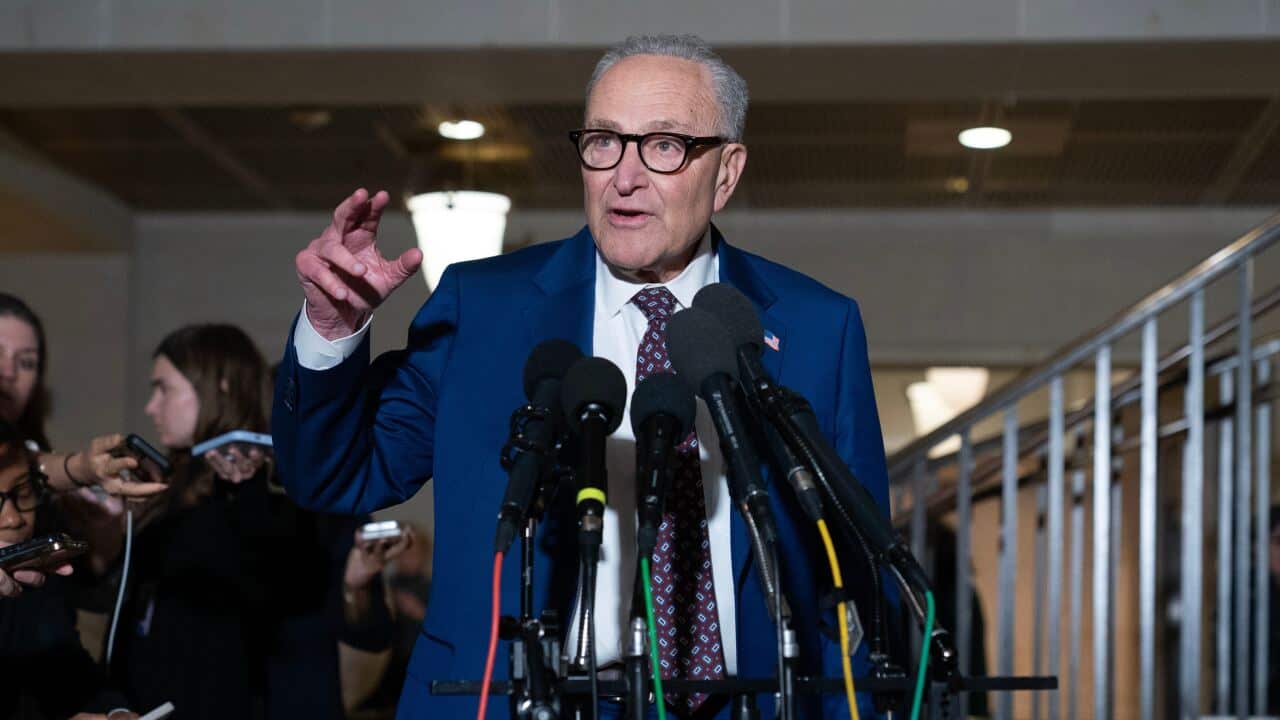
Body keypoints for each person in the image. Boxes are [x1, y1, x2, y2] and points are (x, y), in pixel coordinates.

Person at [275, 34, 891, 718]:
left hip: (740, 702)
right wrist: (331, 334)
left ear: (726, 172)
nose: (624, 177)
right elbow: (336, 476)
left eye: (664, 145)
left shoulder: (815, 328)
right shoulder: (483, 307)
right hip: (523, 701)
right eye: (603, 141)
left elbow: (860, 575)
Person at [111, 324, 401, 720]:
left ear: (220, 386)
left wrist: (356, 588)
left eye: (165, 389)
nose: (151, 407)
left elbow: (361, 632)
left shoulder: (287, 486)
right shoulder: (173, 485)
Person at [0, 293, 164, 598]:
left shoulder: (38, 468)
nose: (8, 373)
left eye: (26, 362)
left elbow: (84, 591)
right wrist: (80, 467)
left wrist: (105, 542)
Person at [0, 419, 140, 719]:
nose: (13, 519)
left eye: (22, 493)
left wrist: (116, 712)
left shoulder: (37, 579)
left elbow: (68, 668)